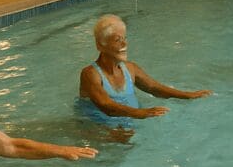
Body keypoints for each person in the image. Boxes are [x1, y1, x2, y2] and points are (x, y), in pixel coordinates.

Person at [79, 14, 211, 119]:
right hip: (99, 129)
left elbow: (154, 88)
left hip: (129, 122)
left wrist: (188, 95)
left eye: (125, 38)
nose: (124, 44)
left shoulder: (130, 68)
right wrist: (140, 113)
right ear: (100, 45)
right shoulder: (90, 74)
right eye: (118, 40)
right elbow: (106, 106)